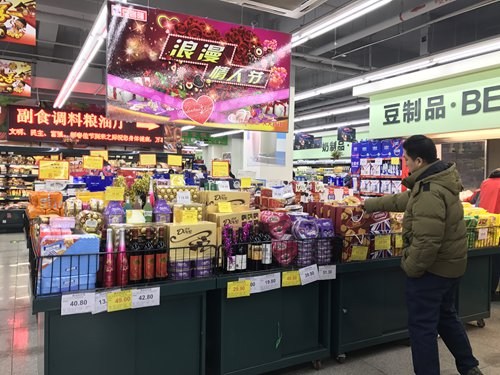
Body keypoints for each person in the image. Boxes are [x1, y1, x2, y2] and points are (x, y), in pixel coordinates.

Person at [363, 135, 482, 375]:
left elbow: (428, 241)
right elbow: (403, 199)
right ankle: (469, 367)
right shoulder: (436, 182)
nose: (405, 164)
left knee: (422, 328)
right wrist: (368, 204)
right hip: (451, 266)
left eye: (406, 159)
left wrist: (411, 267)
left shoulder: (429, 190)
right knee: (446, 317)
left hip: (432, 271)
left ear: (418, 160)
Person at [478, 168, 500, 300]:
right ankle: (492, 292)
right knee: (497, 261)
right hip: (498, 224)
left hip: (485, 224)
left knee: (491, 260)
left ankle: (487, 291)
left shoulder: (485, 183)